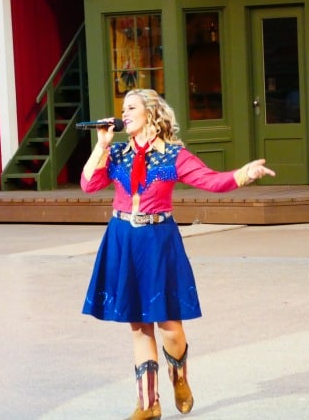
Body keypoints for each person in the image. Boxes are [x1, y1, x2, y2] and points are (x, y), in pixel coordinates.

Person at [80, 88, 275, 420]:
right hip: (123, 238)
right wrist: (100, 145)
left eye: (131, 108)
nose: (123, 114)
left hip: (158, 240)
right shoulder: (116, 154)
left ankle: (179, 376)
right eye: (122, 108)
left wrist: (244, 174)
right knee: (138, 324)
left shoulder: (173, 155)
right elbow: (89, 184)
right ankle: (148, 404)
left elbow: (211, 180)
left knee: (169, 323)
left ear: (151, 114)